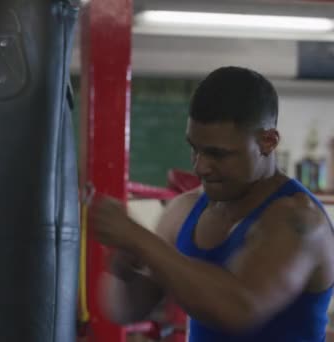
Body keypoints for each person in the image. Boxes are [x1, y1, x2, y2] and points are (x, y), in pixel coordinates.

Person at [92, 66, 334, 341]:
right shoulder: (185, 210)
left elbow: (239, 307)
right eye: (195, 148)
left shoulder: (299, 222)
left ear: (268, 141)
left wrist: (140, 240)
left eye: (217, 154)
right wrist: (122, 269)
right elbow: (128, 310)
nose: (201, 166)